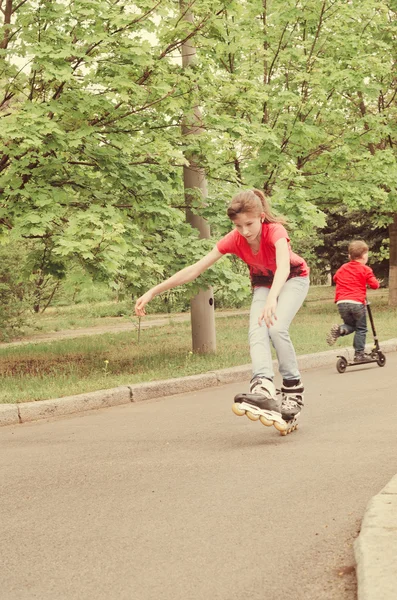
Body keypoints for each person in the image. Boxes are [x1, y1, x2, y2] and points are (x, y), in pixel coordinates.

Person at [135, 189, 310, 431]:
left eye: (249, 224)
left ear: (261, 216)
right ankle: (263, 386)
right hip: (263, 283)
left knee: (277, 327)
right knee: (256, 329)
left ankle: (293, 390)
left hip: (293, 277)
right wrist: (153, 290)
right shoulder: (234, 239)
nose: (244, 232)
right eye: (238, 226)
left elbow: (282, 267)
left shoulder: (276, 231)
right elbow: (195, 269)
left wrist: (273, 298)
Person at [326, 240, 380, 361]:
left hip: (341, 303)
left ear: (350, 256)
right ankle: (359, 354)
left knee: (351, 325)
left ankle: (340, 330)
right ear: (365, 255)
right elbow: (375, 285)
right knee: (361, 329)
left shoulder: (343, 268)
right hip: (356, 303)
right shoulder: (365, 269)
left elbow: (335, 278)